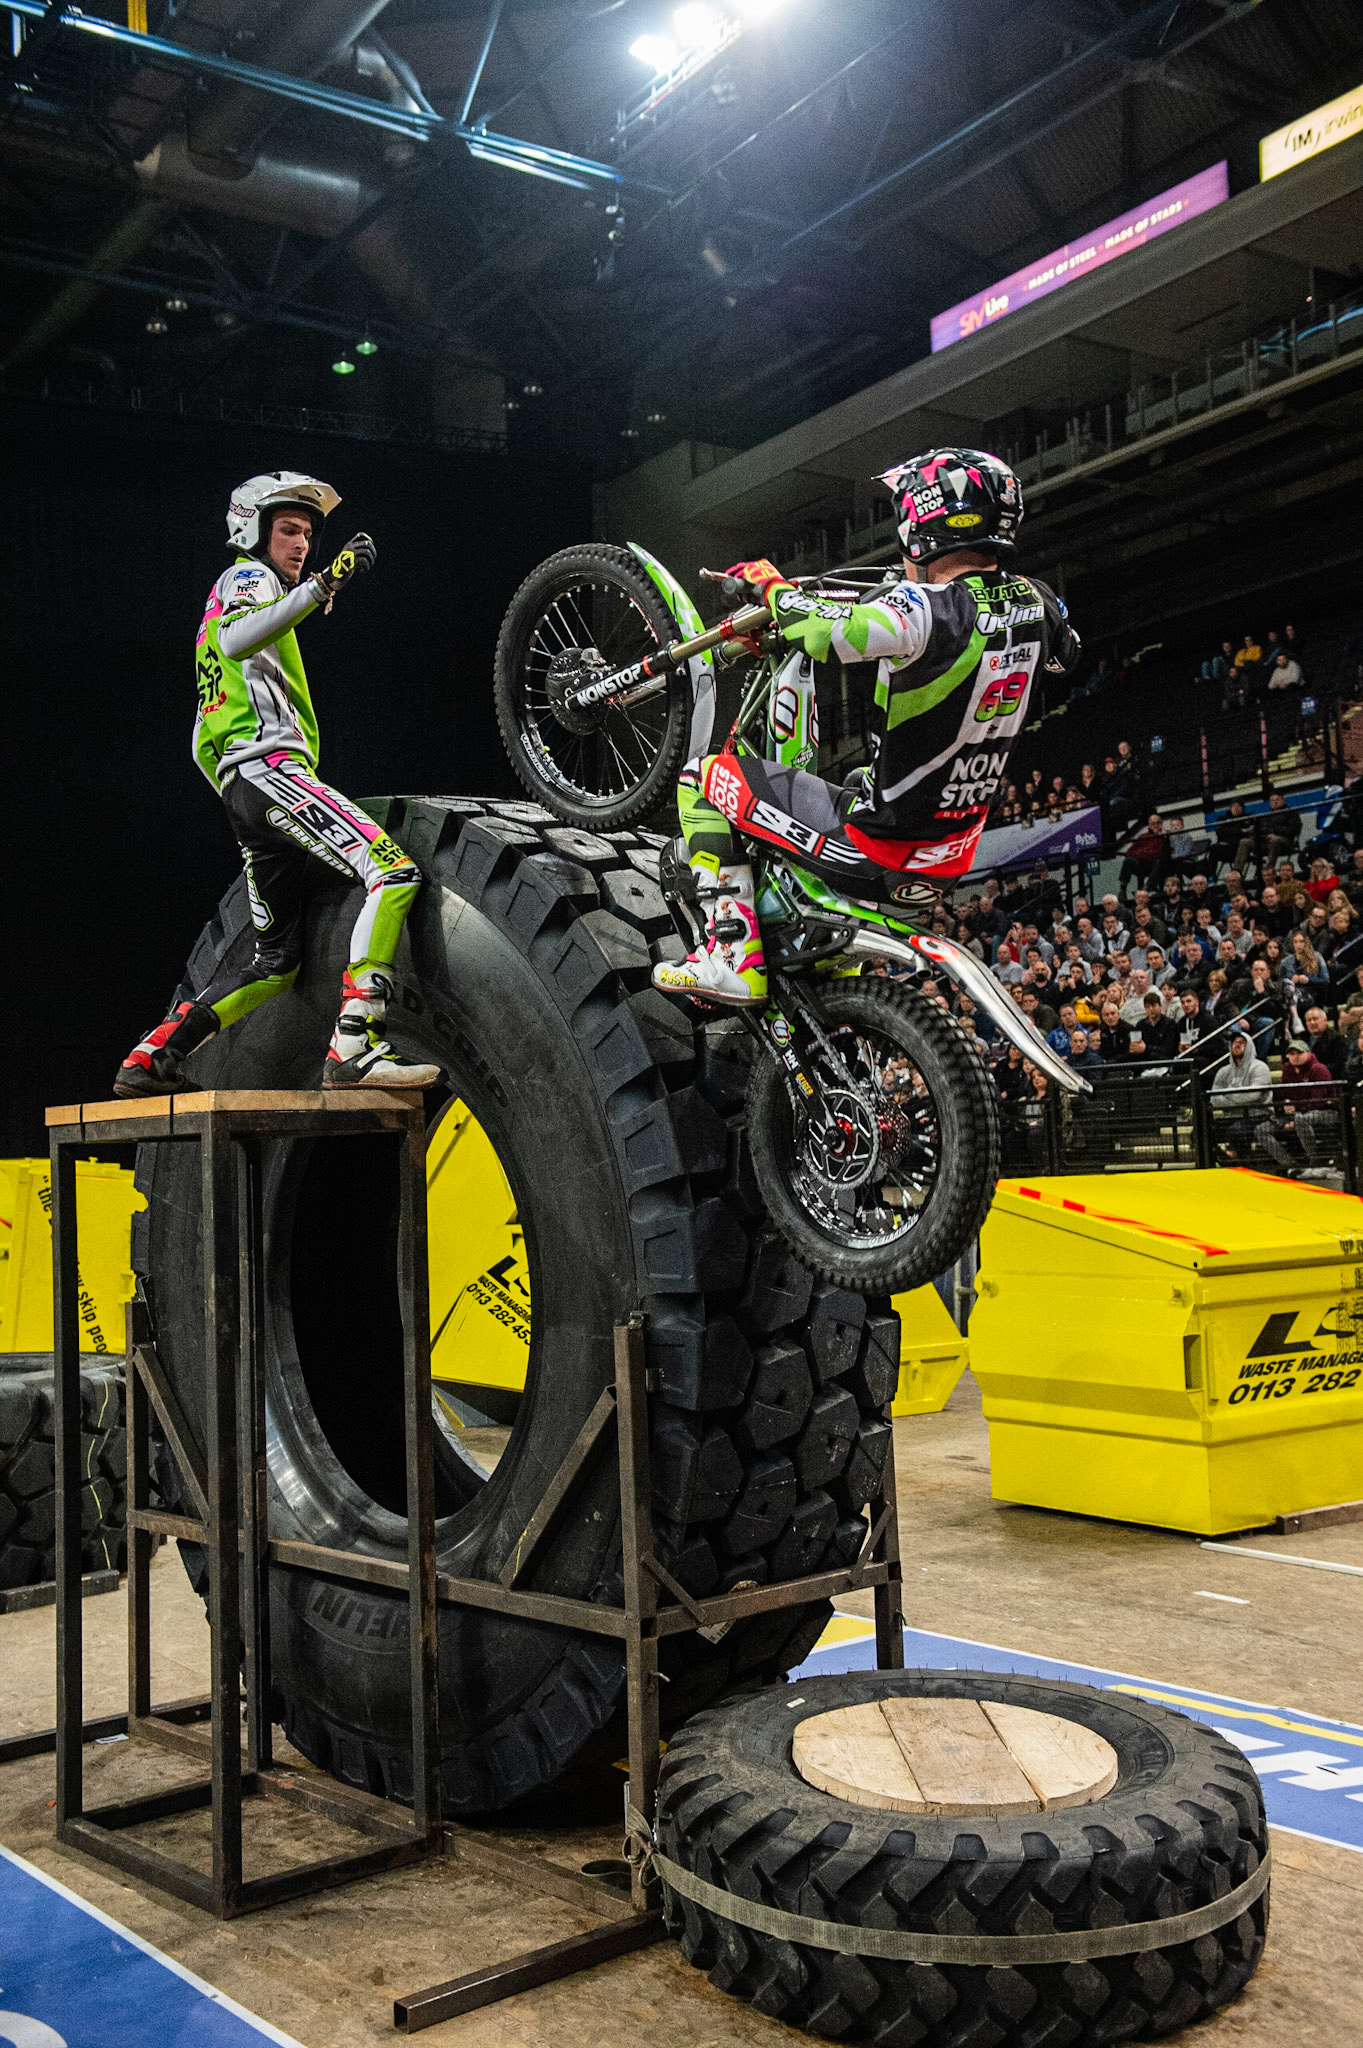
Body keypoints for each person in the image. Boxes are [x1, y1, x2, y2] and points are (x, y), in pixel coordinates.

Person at [654, 447, 1079, 1002]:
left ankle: (729, 953)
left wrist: (772, 588)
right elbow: (1062, 657)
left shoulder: (923, 610)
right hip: (952, 853)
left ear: (922, 525)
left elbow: (824, 634)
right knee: (855, 778)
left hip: (878, 848)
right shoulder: (1037, 601)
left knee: (703, 778)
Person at [115, 473, 439, 1095]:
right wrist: (325, 585)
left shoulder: (242, 593)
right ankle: (355, 1043)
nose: (302, 544)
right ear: (253, 531)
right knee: (394, 873)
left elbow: (198, 733)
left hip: (246, 788)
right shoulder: (246, 579)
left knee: (274, 962)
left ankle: (152, 1055)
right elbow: (238, 639)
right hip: (270, 775)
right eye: (288, 530)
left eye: (310, 536)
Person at [1209, 1028, 1273, 1160]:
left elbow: (1253, 1095)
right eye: (1234, 1042)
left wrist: (1227, 1094)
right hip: (1231, 1115)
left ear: (1249, 1046)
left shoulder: (1260, 1067)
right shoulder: (1224, 1071)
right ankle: (1221, 1159)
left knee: (1236, 1131)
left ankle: (1243, 1161)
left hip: (1257, 1115)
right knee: (1202, 1132)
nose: (1237, 1045)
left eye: (1242, 1042)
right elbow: (1214, 1098)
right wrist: (1237, 1097)